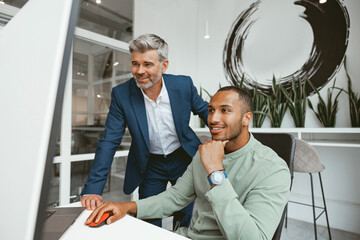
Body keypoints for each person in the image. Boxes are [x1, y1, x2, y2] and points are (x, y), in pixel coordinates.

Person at [85, 86, 291, 239]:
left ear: (247, 118)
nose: (213, 119)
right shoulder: (205, 153)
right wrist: (125, 207)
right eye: (211, 110)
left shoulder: (273, 170)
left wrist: (215, 172)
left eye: (225, 110)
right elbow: (175, 197)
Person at [81, 33, 209, 228]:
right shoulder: (122, 94)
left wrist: (228, 139)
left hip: (183, 159)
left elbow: (207, 112)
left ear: (164, 65)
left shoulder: (183, 85)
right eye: (135, 64)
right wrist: (93, 188)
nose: (140, 71)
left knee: (184, 216)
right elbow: (109, 141)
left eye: (148, 64)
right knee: (148, 219)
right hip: (150, 165)